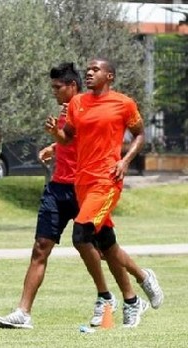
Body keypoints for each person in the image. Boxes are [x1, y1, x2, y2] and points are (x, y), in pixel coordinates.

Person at [45, 58, 164, 328]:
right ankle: (141, 285)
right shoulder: (77, 103)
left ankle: (104, 297)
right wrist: (56, 134)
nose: (89, 72)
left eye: (95, 69)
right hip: (82, 182)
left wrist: (124, 161)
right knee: (106, 244)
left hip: (107, 180)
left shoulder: (124, 103)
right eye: (87, 69)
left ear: (109, 76)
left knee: (81, 235)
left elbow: (140, 135)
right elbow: (68, 137)